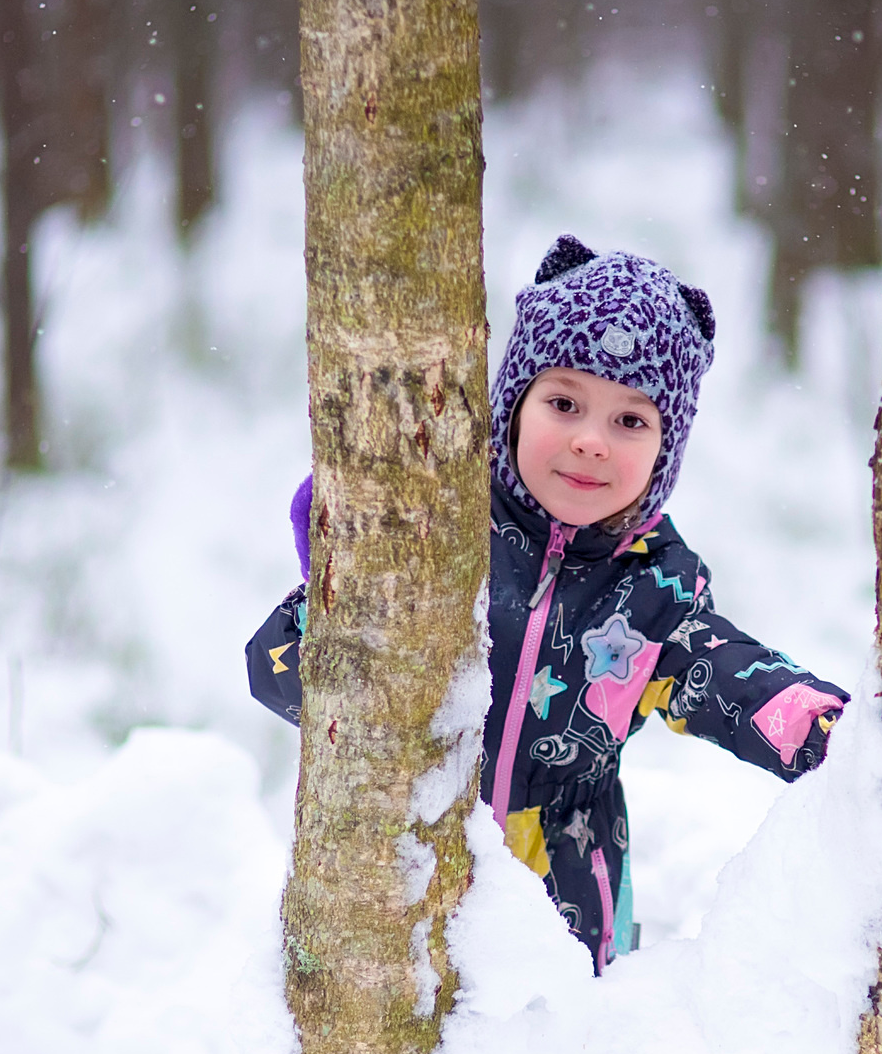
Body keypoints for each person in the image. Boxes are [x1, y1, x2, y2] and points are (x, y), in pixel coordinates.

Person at [246, 235, 848, 970]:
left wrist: (841, 737)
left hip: (566, 894)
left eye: (631, 421)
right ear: (514, 406)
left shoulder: (658, 588)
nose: (591, 441)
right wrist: (341, 597)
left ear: (665, 450)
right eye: (564, 403)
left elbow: (732, 680)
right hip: (401, 867)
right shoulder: (440, 531)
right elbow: (270, 670)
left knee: (557, 1040)